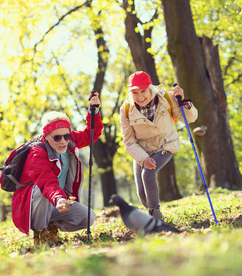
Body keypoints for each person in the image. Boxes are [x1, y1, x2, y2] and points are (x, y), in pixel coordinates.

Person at [11, 93, 102, 247]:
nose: (63, 141)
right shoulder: (37, 153)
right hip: (32, 206)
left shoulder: (68, 139)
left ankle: (52, 226)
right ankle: (40, 233)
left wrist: (94, 112)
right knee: (41, 190)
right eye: (57, 138)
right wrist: (59, 198)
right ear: (46, 136)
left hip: (56, 201)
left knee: (89, 217)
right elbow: (47, 183)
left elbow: (91, 134)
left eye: (66, 136)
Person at [120, 71, 198, 220]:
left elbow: (189, 118)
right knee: (142, 194)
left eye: (143, 90)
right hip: (141, 149)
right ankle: (151, 210)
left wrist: (184, 103)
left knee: (148, 174)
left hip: (165, 144)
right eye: (135, 92)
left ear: (151, 88)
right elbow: (129, 142)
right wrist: (143, 158)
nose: (140, 96)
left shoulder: (167, 98)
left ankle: (156, 217)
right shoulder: (126, 109)